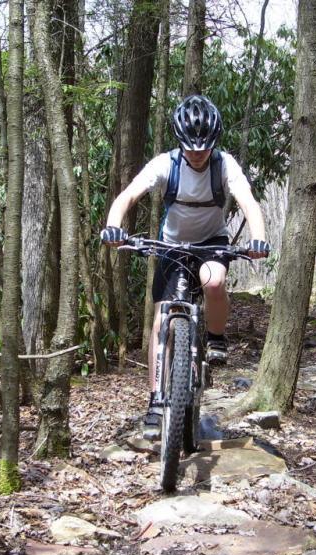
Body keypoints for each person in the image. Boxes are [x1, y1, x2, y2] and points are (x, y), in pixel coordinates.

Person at [100, 94, 269, 438]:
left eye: (203, 148)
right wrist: (114, 224)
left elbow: (249, 203)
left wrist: (258, 239)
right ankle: (155, 403)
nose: (196, 154)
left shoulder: (225, 165)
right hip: (171, 245)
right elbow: (128, 195)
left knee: (214, 282)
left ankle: (216, 338)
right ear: (179, 143)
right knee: (162, 318)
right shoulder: (166, 163)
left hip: (211, 243)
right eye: (190, 148)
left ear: (213, 143)